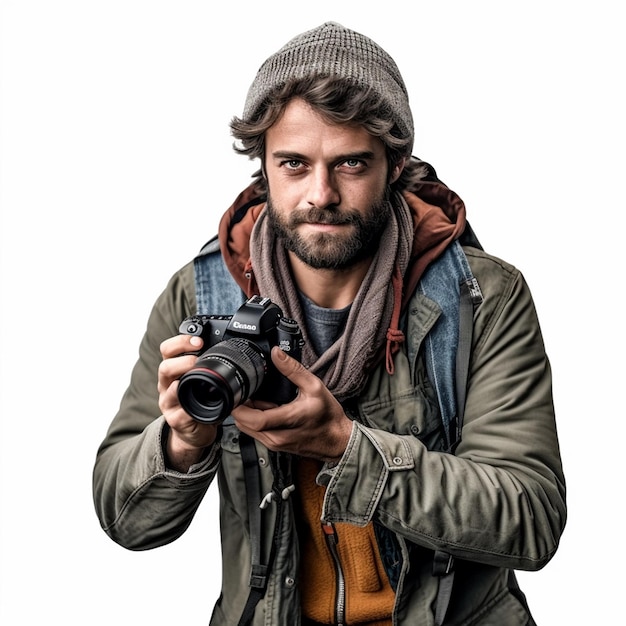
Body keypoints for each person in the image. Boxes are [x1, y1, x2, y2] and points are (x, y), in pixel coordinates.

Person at [92, 22, 566, 626]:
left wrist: (347, 448)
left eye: (350, 164)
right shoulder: (202, 293)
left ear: (394, 165)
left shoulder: (480, 299)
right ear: (261, 166)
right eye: (293, 163)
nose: (321, 193)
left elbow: (532, 518)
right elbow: (124, 520)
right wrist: (181, 444)